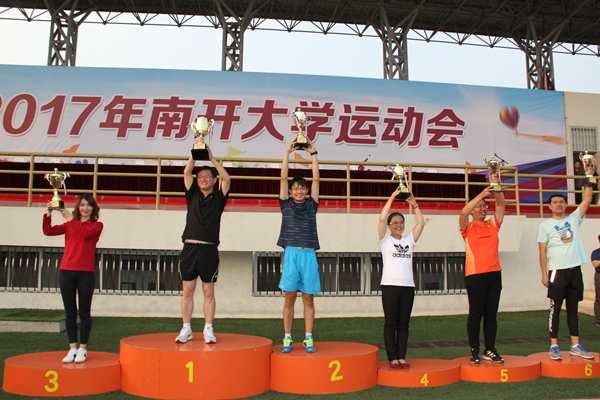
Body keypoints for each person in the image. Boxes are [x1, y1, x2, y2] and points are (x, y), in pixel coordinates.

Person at [175, 147, 231, 344]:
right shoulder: (192, 194)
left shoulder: (219, 197)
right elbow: (186, 172)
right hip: (190, 248)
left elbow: (227, 178)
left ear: (214, 180)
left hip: (209, 249)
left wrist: (212, 158)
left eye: (208, 177)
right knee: (187, 291)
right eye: (200, 177)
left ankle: (208, 328)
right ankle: (186, 328)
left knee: (208, 292)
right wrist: (194, 153)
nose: (203, 179)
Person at [42, 193, 103, 363]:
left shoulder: (97, 226)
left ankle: (83, 349)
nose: (85, 208)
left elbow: (83, 233)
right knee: (70, 312)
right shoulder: (70, 224)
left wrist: (70, 218)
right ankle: (72, 348)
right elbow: (48, 231)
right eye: (82, 205)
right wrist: (48, 213)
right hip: (66, 272)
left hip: (86, 274)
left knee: (84, 312)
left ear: (93, 208)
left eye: (88, 205)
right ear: (78, 207)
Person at [537, 182, 595, 360]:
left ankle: (575, 345)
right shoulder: (545, 225)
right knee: (555, 309)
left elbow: (587, 199)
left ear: (565, 205)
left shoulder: (574, 218)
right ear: (549, 206)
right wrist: (544, 274)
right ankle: (554, 346)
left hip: (574, 270)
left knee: (573, 309)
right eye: (555, 202)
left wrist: (588, 179)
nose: (559, 204)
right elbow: (542, 251)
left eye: (561, 202)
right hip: (557, 272)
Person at [278, 141, 320, 353]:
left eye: (302, 188)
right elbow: (283, 177)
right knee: (289, 297)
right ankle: (287, 337)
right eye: (295, 188)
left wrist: (313, 154)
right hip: (291, 253)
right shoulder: (285, 204)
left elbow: (316, 179)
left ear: (306, 191)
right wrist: (287, 152)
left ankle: (308, 337)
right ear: (291, 191)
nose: (298, 191)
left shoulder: (312, 204)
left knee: (308, 298)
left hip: (309, 254)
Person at [377, 189, 424, 369]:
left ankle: (402, 356)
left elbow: (420, 223)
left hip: (408, 287)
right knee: (390, 323)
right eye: (395, 222)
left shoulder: (409, 240)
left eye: (401, 222)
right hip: (390, 286)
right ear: (389, 226)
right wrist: (392, 197)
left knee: (404, 324)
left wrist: (415, 205)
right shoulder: (385, 240)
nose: (398, 225)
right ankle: (392, 358)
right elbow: (382, 219)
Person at [459, 183, 505, 364]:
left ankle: (490, 349)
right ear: (473, 209)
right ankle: (474, 350)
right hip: (475, 275)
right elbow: (463, 212)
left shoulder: (492, 224)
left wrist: (496, 187)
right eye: (479, 207)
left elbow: (500, 204)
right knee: (476, 314)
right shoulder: (468, 227)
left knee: (491, 314)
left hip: (494, 274)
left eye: (485, 206)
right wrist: (481, 195)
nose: (482, 209)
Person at [591, 235, 600, 327]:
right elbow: (595, 264)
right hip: (599, 276)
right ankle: (598, 320)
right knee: (599, 298)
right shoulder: (596, 252)